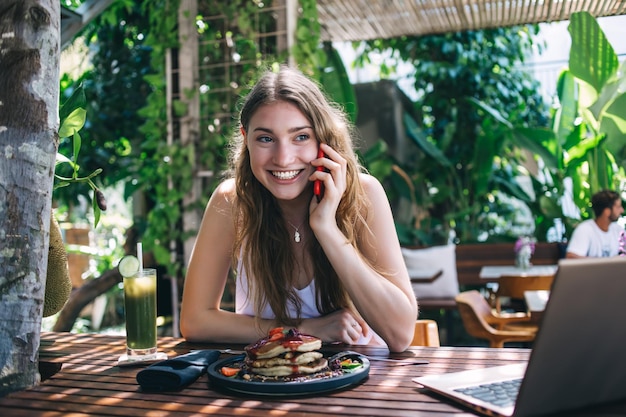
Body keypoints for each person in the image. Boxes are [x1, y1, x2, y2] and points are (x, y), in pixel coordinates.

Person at [180, 65, 418, 352]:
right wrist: (300, 329)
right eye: (266, 139)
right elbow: (195, 321)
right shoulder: (232, 202)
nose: (283, 158)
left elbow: (401, 334)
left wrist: (327, 228)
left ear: (324, 140)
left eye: (300, 137)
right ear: (246, 139)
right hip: (267, 383)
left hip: (360, 383)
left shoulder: (364, 195)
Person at [566, 190, 624, 258]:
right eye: (618, 207)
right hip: (591, 269)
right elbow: (571, 257)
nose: (622, 210)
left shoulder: (618, 230)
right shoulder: (585, 230)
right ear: (607, 211)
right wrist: (602, 263)